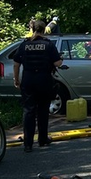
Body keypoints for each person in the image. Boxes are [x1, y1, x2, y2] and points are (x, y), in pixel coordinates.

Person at [13, 19, 62, 152]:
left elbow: (16, 63)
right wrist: (60, 60)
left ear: (32, 29)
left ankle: (28, 144)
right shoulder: (48, 44)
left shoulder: (24, 45)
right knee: (42, 110)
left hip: (28, 80)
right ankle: (42, 139)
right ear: (43, 29)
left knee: (28, 111)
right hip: (44, 79)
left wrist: (16, 79)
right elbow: (58, 63)